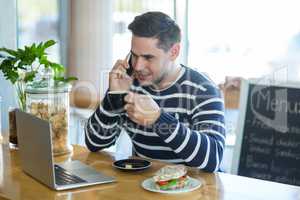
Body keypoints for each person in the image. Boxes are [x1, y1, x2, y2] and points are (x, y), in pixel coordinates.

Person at [85, 11, 225, 172]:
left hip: (196, 191)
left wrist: (159, 119)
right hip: (143, 185)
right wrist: (114, 97)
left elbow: (213, 158)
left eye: (148, 58)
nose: (138, 66)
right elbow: (94, 143)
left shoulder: (203, 90)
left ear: (174, 52)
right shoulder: (129, 82)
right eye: (134, 55)